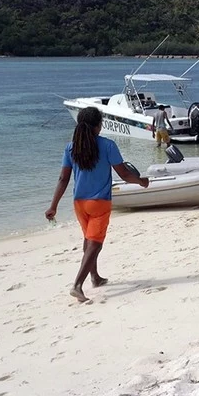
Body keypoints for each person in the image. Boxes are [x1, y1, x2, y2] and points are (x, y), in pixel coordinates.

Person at [45, 106, 150, 303]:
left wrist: (53, 206)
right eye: (100, 123)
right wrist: (141, 181)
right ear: (97, 126)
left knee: (88, 239)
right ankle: (77, 285)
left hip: (79, 203)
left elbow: (62, 179)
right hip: (99, 203)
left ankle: (95, 277)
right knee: (95, 244)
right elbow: (125, 174)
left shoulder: (71, 147)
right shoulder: (108, 145)